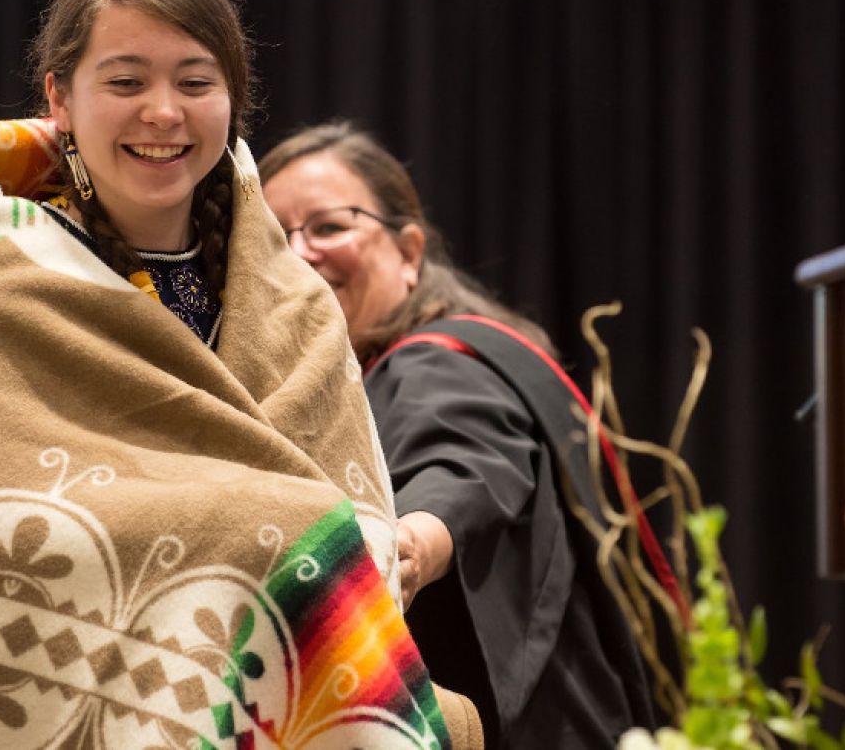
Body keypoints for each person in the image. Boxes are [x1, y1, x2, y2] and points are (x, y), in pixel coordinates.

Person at [0, 0, 482, 750]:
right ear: (59, 96)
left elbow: (354, 518)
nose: (164, 112)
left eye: (196, 83)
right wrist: (277, 531)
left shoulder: (297, 299)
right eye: (125, 82)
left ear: (234, 98)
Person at [260, 121, 660, 748]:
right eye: (274, 238)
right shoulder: (367, 378)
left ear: (410, 252)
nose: (300, 253)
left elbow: (469, 460)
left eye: (329, 227)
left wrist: (415, 540)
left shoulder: (439, 361)